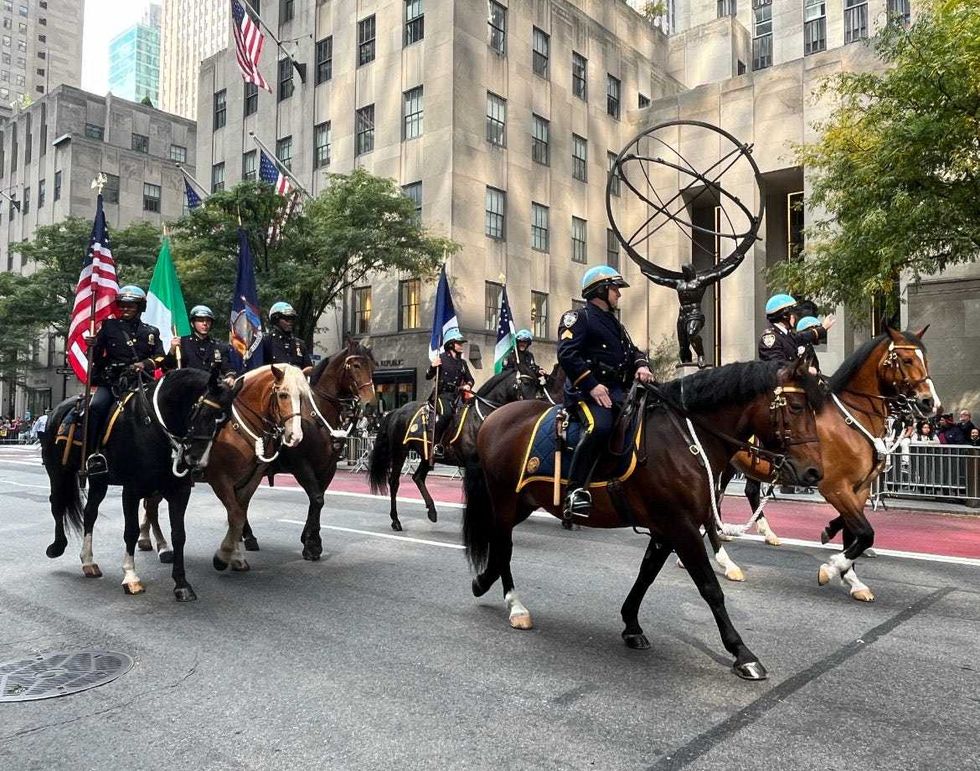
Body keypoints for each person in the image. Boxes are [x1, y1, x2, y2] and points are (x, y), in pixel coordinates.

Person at [557, 266, 654, 518]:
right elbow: (567, 354)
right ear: (599, 290)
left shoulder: (614, 323)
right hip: (586, 392)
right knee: (598, 427)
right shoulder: (579, 318)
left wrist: (641, 364)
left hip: (617, 391)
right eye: (614, 289)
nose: (618, 295)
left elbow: (633, 351)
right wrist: (591, 385)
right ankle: (575, 490)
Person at [84, 285, 165, 475]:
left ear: (140, 308)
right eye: (123, 305)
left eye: (131, 305)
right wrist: (92, 345)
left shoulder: (151, 331)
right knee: (96, 407)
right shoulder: (109, 326)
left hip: (141, 381)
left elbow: (161, 357)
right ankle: (94, 453)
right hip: (113, 381)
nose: (126, 309)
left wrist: (145, 364)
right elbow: (96, 357)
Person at [425, 328, 475, 456]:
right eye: (458, 343)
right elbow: (428, 376)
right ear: (451, 344)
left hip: (457, 396)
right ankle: (436, 445)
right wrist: (432, 366)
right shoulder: (440, 358)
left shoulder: (462, 363)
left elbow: (470, 379)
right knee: (446, 414)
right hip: (442, 395)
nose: (461, 345)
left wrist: (468, 385)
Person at [163, 305, 238, 383]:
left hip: (211, 389)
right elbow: (167, 366)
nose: (205, 324)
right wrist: (172, 350)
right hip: (188, 386)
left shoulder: (219, 346)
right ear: (192, 323)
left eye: (208, 320)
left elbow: (227, 368)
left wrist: (230, 376)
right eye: (200, 320)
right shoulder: (182, 343)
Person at [758, 294, 834, 363]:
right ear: (785, 316)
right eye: (793, 314)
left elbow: (804, 336)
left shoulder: (786, 334)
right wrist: (804, 371)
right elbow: (778, 367)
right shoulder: (771, 338)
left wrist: (823, 329)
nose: (795, 317)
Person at [261, 301, 312, 368]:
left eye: (292, 319)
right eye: (287, 319)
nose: (290, 322)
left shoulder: (300, 344)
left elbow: (309, 368)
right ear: (276, 319)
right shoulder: (266, 341)